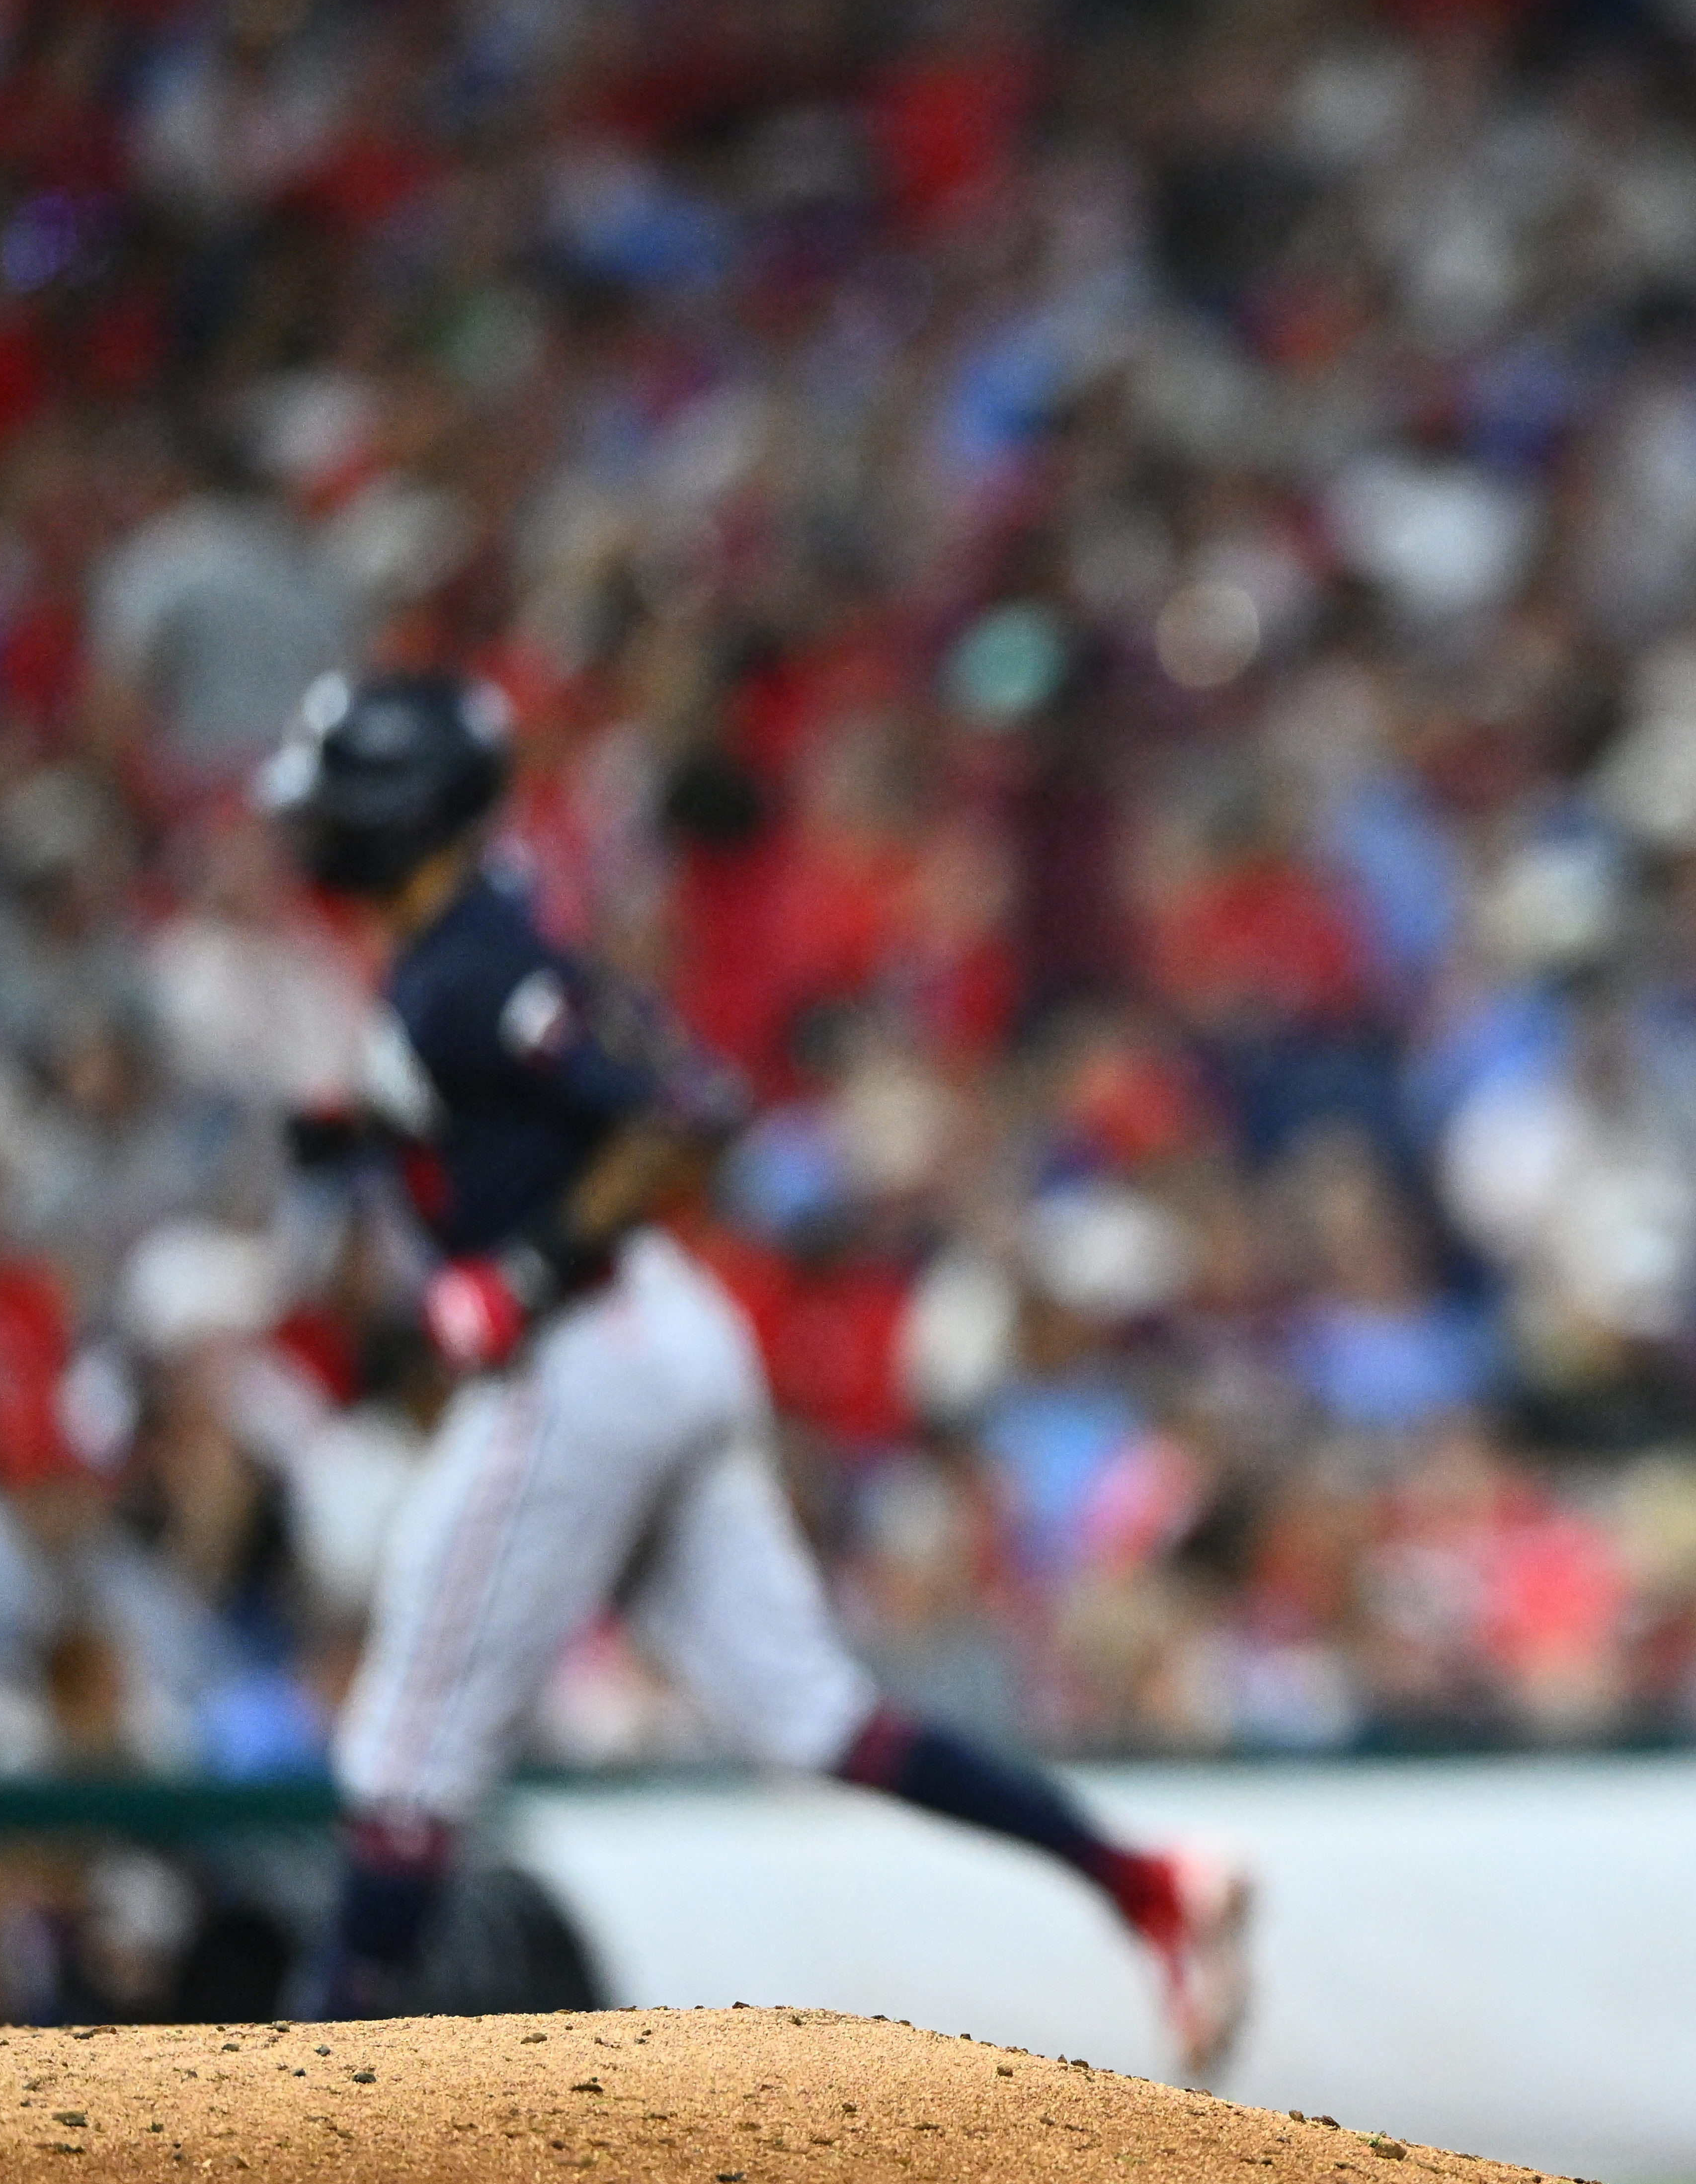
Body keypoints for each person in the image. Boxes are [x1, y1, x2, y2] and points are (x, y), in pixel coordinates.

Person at [257, 672, 1251, 2077]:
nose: (311, 828)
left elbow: (683, 1103)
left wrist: (527, 1264)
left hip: (583, 1347)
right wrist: (369, 1126)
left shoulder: (471, 961)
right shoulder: (461, 944)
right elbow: (531, 1093)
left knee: (409, 1732)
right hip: (652, 1330)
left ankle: (291, 2106)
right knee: (812, 1713)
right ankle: (1145, 1883)